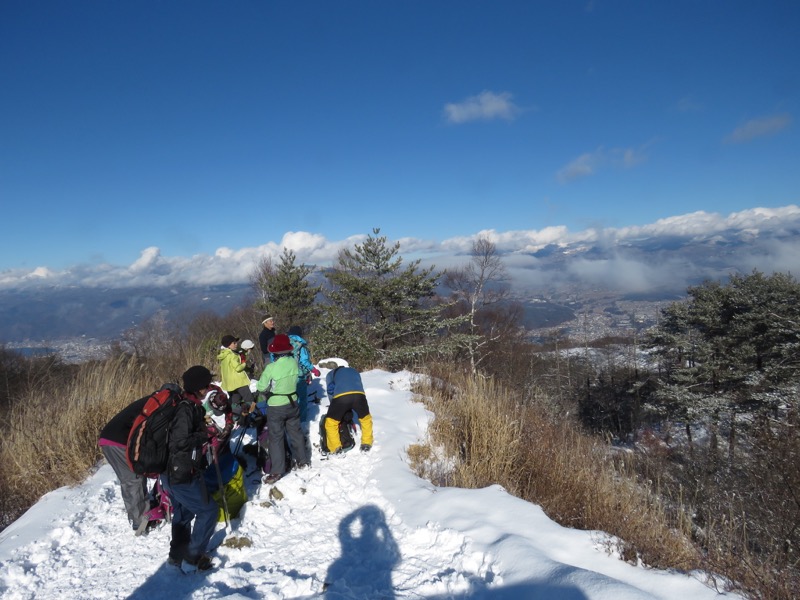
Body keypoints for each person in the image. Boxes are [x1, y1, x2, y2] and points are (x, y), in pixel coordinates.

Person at [162, 365, 220, 573]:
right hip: (181, 472)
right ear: (198, 387)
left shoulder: (187, 405)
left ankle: (176, 557)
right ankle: (192, 556)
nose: (208, 387)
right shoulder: (186, 408)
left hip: (171, 471)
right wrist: (206, 434)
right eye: (206, 384)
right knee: (208, 510)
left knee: (184, 514)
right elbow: (179, 442)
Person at [257, 334, 310, 484]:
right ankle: (302, 461)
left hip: (276, 405)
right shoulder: (293, 362)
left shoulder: (271, 367)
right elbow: (299, 375)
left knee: (276, 437)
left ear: (275, 352)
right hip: (293, 402)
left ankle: (277, 471)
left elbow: (261, 387)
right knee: (295, 432)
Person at [98, 397, 151, 534]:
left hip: (109, 438)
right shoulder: (156, 404)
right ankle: (139, 522)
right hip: (117, 442)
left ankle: (139, 511)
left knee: (132, 477)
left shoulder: (149, 401)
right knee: (133, 479)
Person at [325, 366, 374, 454]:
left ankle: (335, 447)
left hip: (341, 397)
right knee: (365, 419)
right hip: (359, 395)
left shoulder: (332, 374)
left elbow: (330, 389)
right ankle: (366, 443)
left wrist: (334, 405)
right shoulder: (354, 371)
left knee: (331, 422)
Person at [286, 325, 320, 423]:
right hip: (298, 376)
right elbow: (304, 360)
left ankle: (290, 420)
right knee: (302, 399)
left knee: (289, 399)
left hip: (285, 376)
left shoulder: (284, 344)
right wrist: (314, 370)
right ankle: (302, 421)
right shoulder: (300, 344)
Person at [217, 334, 255, 420]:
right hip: (239, 381)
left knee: (235, 401)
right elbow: (238, 368)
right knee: (249, 399)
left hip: (230, 383)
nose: (236, 344)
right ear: (228, 345)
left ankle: (235, 416)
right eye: (234, 343)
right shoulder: (232, 355)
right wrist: (244, 364)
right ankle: (252, 414)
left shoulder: (224, 355)